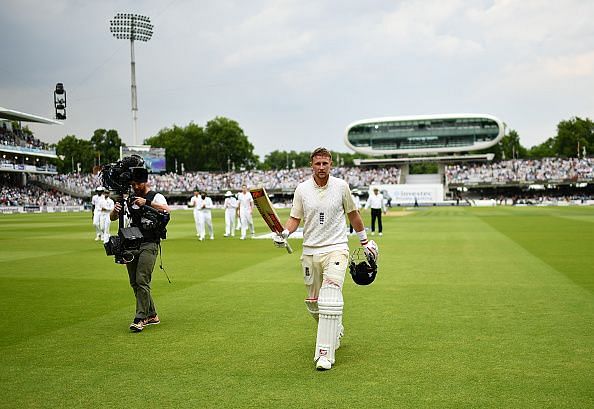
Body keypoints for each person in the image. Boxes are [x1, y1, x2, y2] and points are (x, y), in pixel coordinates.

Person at [273, 147, 378, 371]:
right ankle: (335, 327)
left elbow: (353, 214)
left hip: (336, 248)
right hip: (310, 250)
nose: (322, 168)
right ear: (312, 165)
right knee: (314, 304)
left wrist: (364, 241)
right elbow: (295, 218)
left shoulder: (341, 187)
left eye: (325, 164)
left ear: (331, 165)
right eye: (318, 164)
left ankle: (324, 354)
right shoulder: (302, 189)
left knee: (330, 296)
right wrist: (285, 233)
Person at [110, 167, 170, 333]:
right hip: (132, 242)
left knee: (142, 279)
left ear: (145, 182)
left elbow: (167, 210)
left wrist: (147, 203)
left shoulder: (155, 196)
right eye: (133, 184)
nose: (135, 186)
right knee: (134, 282)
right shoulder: (129, 197)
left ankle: (140, 318)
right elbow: (113, 218)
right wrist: (114, 211)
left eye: (138, 184)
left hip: (150, 243)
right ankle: (152, 315)